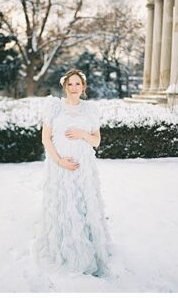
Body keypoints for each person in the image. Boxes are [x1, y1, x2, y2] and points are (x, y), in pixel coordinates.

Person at [32, 69, 110, 277]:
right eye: (70, 84)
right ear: (64, 86)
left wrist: (83, 134)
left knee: (83, 204)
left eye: (78, 84)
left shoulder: (90, 110)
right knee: (65, 204)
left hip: (84, 167)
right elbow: (46, 139)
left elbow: (96, 141)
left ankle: (88, 246)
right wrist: (59, 161)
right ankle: (65, 248)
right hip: (60, 166)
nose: (74, 88)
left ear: (83, 87)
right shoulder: (55, 108)